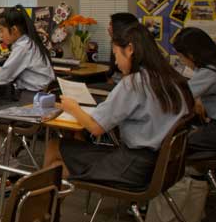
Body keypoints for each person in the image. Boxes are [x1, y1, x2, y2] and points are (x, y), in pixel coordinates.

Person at [44, 23, 192, 189]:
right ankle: (46, 202)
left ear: (130, 49)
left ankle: (42, 203)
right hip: (163, 166)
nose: (115, 62)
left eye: (116, 54)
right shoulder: (172, 79)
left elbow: (96, 128)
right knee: (57, 165)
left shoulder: (134, 83)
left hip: (133, 167)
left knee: (55, 152)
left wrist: (73, 108)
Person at [0, 5, 56, 151]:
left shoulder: (23, 46)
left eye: (1, 30)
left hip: (31, 104)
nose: (0, 35)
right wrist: (2, 71)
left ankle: (11, 152)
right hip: (40, 101)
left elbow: (2, 78)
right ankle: (14, 146)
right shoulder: (30, 42)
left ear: (14, 30)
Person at [172, 27, 216, 156]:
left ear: (191, 55)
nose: (182, 61)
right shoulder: (212, 66)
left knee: (180, 142)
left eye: (181, 57)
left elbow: (180, 96)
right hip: (212, 122)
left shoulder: (209, 72)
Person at [104, 12, 139, 86]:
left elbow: (127, 75)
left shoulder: (127, 45)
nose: (108, 28)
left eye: (111, 25)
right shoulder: (116, 42)